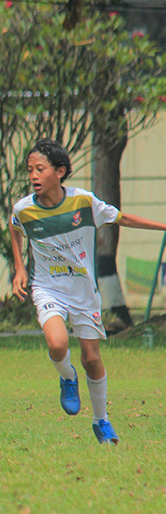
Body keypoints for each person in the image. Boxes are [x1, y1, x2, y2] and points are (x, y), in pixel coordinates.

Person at [11, 138, 166, 445]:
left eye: (40, 169)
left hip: (83, 292)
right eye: (30, 170)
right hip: (48, 288)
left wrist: (162, 226)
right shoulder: (24, 209)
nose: (33, 176)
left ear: (60, 171)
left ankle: (101, 421)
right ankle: (67, 378)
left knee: (92, 358)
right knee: (57, 343)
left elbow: (122, 218)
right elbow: (16, 228)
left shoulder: (83, 202)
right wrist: (19, 268)